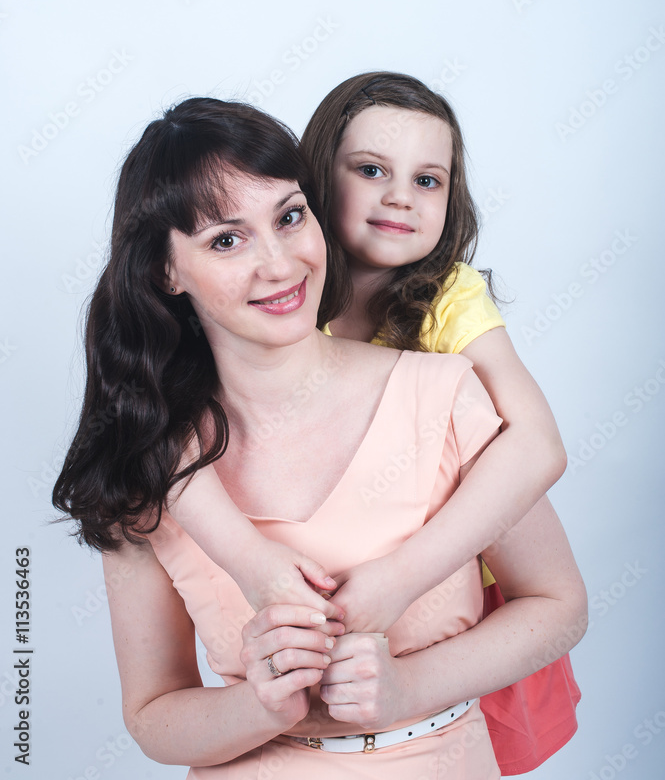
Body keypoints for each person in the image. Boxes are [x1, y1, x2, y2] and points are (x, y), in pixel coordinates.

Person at [53, 97, 586, 777]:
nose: (279, 265)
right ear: (166, 270)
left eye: (288, 217)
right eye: (226, 240)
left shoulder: (442, 392)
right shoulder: (145, 457)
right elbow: (152, 717)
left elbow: (558, 606)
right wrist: (260, 706)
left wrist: (407, 688)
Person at [299, 70, 582, 771]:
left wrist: (401, 578)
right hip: (330, 598)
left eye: (427, 180)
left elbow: (539, 445)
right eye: (372, 170)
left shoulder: (447, 299)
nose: (401, 196)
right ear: (317, 177)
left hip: (457, 594)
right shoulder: (285, 299)